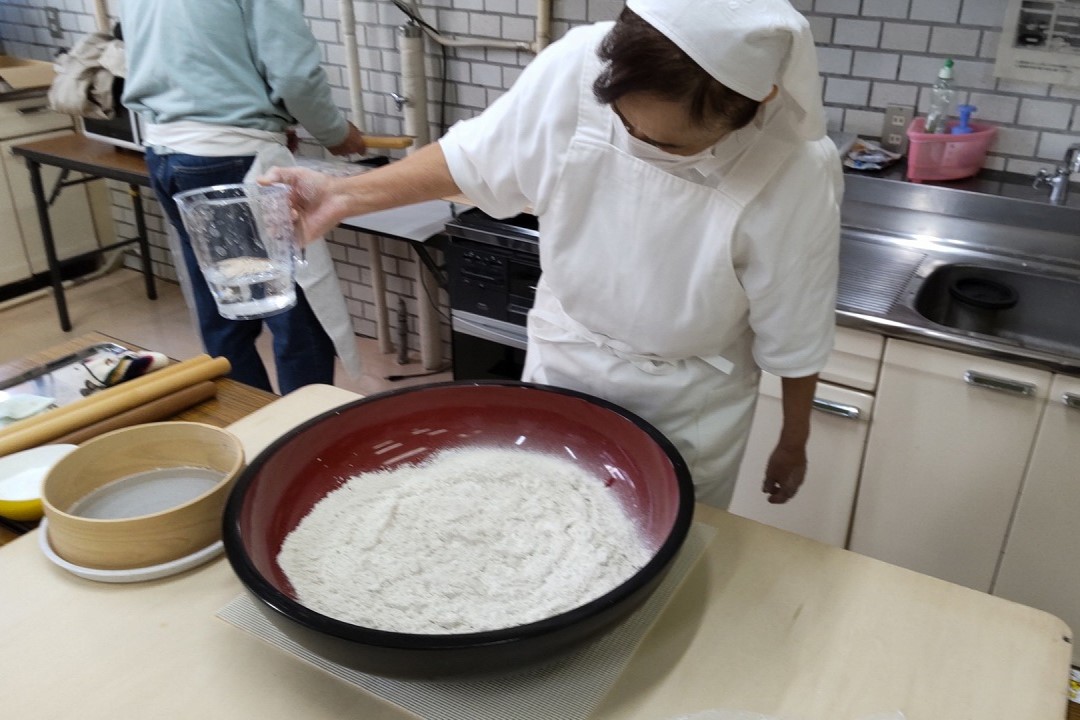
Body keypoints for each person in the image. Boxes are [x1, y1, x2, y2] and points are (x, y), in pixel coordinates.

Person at [264, 0, 842, 508]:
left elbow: (797, 329)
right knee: (537, 522)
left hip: (686, 405)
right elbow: (473, 159)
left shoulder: (797, 168)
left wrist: (793, 441)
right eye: (626, 124)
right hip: (566, 358)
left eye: (667, 144)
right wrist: (340, 195)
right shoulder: (579, 63)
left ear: (756, 101)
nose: (640, 143)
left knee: (659, 553)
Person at [119, 0, 366, 394]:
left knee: (224, 313)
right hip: (232, 160)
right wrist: (336, 133)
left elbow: (188, 58)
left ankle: (252, 424)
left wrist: (269, 123)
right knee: (299, 318)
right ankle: (301, 426)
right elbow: (295, 77)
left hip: (166, 156)